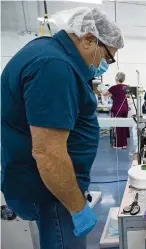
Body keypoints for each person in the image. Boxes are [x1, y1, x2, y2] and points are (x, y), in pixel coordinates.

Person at [1, 7, 124, 249]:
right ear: (89, 39)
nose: (105, 65)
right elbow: (48, 153)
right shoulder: (54, 66)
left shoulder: (52, 54)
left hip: (55, 186)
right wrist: (77, 207)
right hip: (54, 191)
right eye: (107, 57)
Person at [102, 72, 129, 149]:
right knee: (124, 126)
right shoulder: (127, 87)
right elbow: (119, 95)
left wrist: (101, 89)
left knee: (117, 127)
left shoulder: (114, 87)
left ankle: (118, 145)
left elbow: (104, 94)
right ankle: (124, 144)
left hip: (118, 109)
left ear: (116, 78)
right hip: (125, 108)